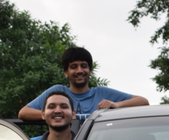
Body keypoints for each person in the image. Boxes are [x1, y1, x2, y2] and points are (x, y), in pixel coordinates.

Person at [18, 47, 149, 121]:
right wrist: (60, 115)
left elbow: (143, 101)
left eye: (84, 66)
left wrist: (116, 105)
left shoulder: (102, 93)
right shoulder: (58, 92)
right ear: (66, 72)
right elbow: (24, 113)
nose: (79, 71)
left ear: (90, 71)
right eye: (74, 66)